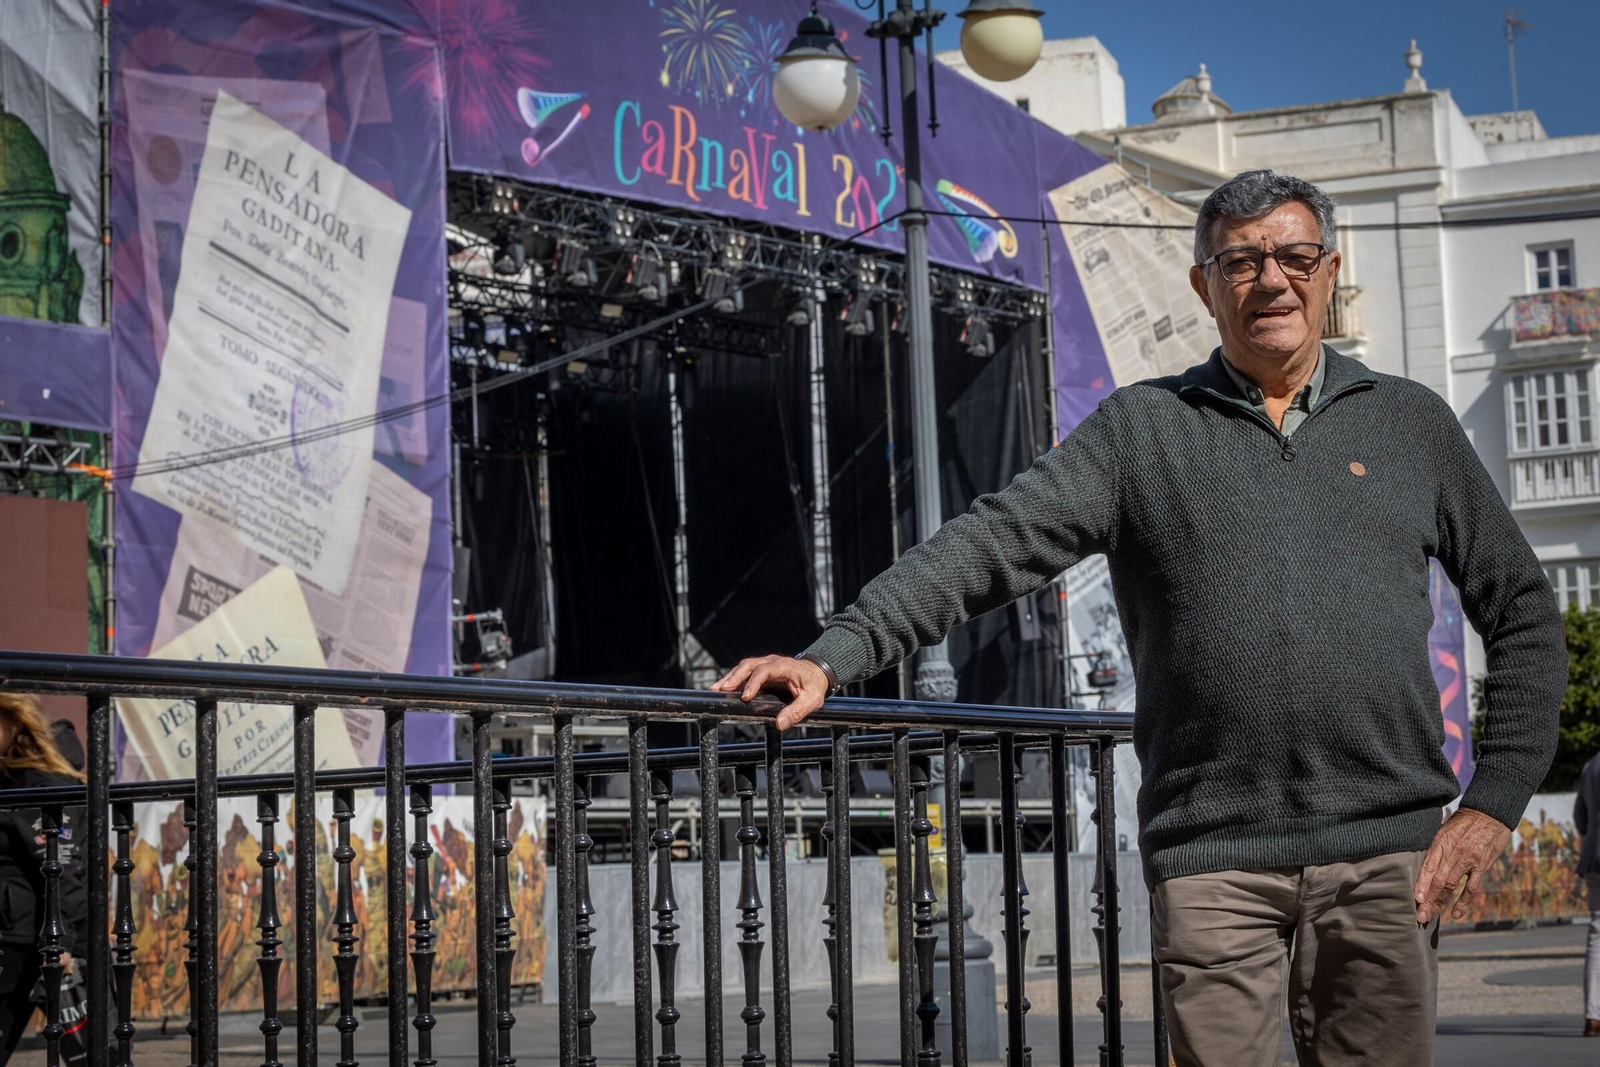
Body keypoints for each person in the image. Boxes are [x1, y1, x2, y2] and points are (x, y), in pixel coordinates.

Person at [713, 169, 1567, 1066]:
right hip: (1212, 859)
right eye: (1240, 262)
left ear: (1329, 270)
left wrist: (1494, 802)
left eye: (1293, 255)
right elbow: (991, 542)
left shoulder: (1410, 423)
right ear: (1204, 285)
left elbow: (1522, 609)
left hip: (1385, 855)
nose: (1270, 279)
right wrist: (836, 653)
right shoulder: (1142, 430)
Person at [0, 694, 87, 1063]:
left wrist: (59, 943)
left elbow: (61, 867)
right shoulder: (12, 776)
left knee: (92, 1051)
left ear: (14, 722)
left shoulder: (38, 783)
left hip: (30, 940)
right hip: (21, 935)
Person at [1576, 750, 1600, 1036]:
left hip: (1594, 858)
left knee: (1597, 934)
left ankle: (1594, 1015)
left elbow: (1580, 817)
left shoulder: (1591, 765)